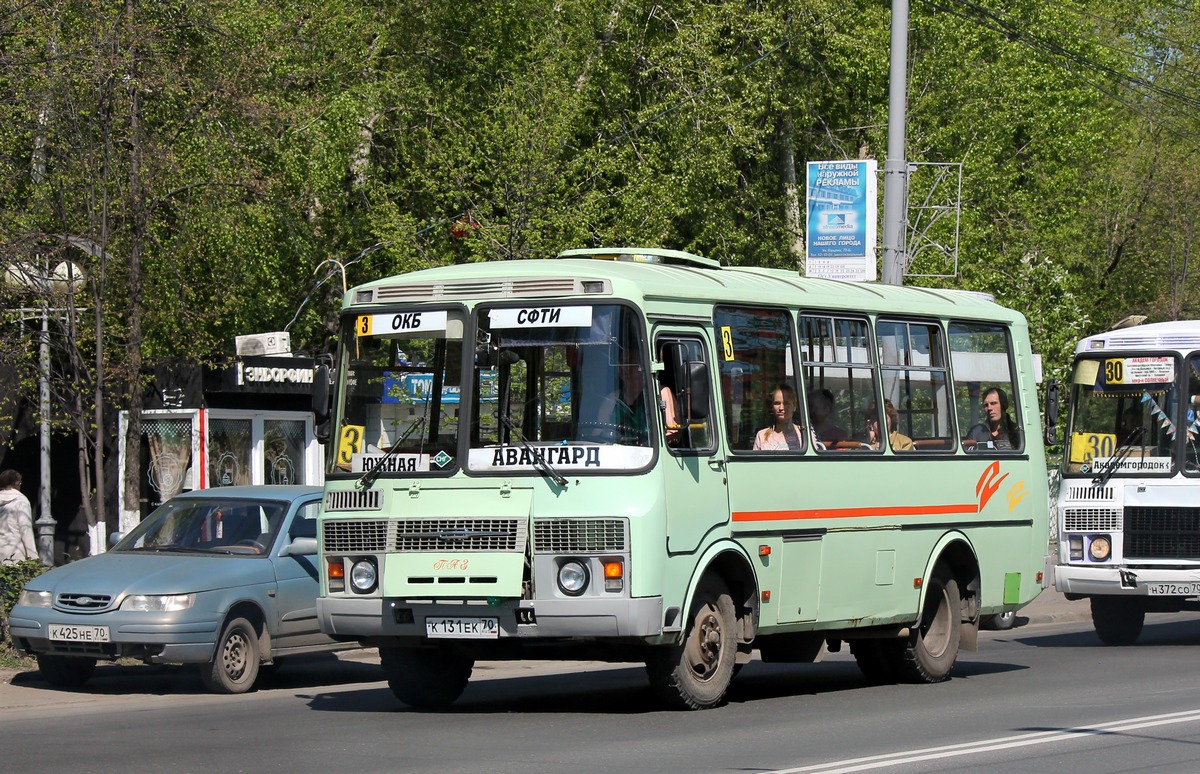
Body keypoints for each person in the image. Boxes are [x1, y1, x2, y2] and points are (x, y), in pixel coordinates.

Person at [0, 469, 37, 564]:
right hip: (14, 554)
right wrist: (33, 557)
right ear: (17, 483)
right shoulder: (21, 501)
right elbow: (25, 530)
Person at [754, 385, 806, 450]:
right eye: (777, 403)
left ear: (794, 406)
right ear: (772, 407)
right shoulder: (762, 436)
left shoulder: (804, 434)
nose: (781, 408)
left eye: (786, 403)